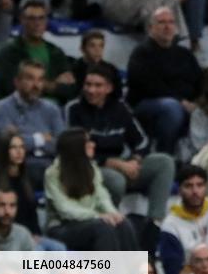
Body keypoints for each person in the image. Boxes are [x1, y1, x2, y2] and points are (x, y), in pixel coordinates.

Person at [65, 64, 175, 221]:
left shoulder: (120, 108)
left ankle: (154, 223)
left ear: (109, 88)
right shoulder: (74, 109)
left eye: (98, 85)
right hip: (90, 168)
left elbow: (142, 141)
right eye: (88, 85)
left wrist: (135, 160)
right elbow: (73, 151)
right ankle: (109, 222)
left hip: (124, 164)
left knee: (164, 162)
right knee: (116, 180)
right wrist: (112, 162)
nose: (91, 90)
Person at [44, 128, 139, 257]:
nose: (93, 144)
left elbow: (102, 196)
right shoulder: (53, 174)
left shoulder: (91, 168)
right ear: (76, 146)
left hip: (90, 221)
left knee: (123, 224)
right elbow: (65, 209)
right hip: (62, 227)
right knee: (103, 228)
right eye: (88, 142)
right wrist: (96, 216)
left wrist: (113, 213)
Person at [125, 6, 202, 153]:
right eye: (162, 22)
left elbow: (200, 80)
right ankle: (166, 155)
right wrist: (181, 101)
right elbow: (147, 86)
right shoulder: (141, 53)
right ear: (151, 28)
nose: (167, 27)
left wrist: (200, 101)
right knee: (171, 107)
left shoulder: (184, 53)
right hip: (148, 105)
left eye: (171, 22)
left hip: (185, 103)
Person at [0, 61, 64, 186]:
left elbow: (62, 145)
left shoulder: (52, 109)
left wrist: (23, 138)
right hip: (18, 168)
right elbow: (9, 146)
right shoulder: (0, 110)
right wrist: (40, 139)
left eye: (40, 80)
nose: (36, 85)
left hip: (50, 166)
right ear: (17, 82)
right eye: (30, 79)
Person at [0, 0, 74, 101]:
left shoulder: (56, 51)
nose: (37, 23)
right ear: (22, 20)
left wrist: (31, 83)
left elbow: (69, 89)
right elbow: (11, 88)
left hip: (54, 111)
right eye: (31, 19)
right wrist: (52, 85)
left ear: (46, 21)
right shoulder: (9, 52)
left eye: (41, 18)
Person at [69, 29, 123, 100]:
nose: (98, 50)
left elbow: (118, 95)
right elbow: (73, 95)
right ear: (82, 49)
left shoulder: (111, 69)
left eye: (101, 46)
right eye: (92, 46)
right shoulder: (74, 69)